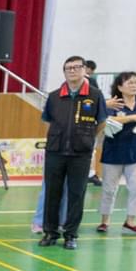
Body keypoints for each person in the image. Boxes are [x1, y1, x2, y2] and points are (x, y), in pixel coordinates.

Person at [38, 56, 108, 250]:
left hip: (81, 154)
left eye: (76, 67)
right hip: (55, 152)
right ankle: (50, 232)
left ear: (85, 70)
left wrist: (87, 138)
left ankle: (71, 235)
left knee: (77, 194)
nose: (72, 71)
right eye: (68, 68)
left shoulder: (95, 95)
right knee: (52, 193)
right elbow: (48, 120)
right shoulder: (54, 96)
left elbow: (101, 122)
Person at [97, 71, 136, 235]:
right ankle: (105, 221)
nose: (134, 85)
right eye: (130, 83)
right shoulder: (113, 104)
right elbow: (106, 121)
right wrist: (133, 118)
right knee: (109, 189)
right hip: (113, 153)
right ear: (120, 87)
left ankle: (130, 222)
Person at [83, 60, 104, 186]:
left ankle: (90, 174)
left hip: (90, 120)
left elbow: (96, 100)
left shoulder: (91, 82)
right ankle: (88, 174)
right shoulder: (89, 81)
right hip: (83, 121)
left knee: (91, 150)